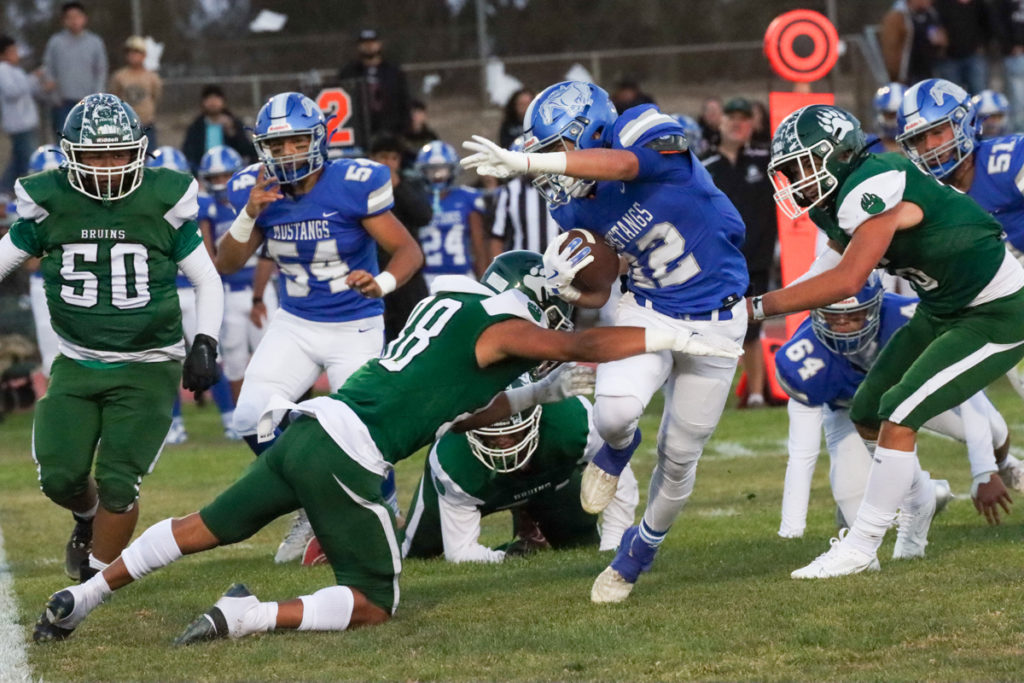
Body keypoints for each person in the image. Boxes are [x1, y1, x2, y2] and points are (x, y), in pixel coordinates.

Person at [30, 250, 741, 645]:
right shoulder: (503, 324)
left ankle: (83, 593)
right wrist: (669, 335)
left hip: (312, 426)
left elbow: (461, 408)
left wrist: (536, 394)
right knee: (376, 601)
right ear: (533, 298)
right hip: (349, 456)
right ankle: (247, 614)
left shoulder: (449, 305)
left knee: (204, 527)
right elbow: (579, 341)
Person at [461, 80, 750, 603]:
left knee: (680, 457)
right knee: (613, 416)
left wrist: (526, 165)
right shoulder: (571, 208)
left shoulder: (642, 126)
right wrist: (575, 286)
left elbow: (624, 167)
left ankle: (637, 553)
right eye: (540, 155)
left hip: (717, 318)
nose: (547, 164)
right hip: (647, 306)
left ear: (591, 131)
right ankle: (618, 452)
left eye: (554, 150)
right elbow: (600, 290)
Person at [754, 103, 1024, 578]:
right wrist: (756, 301)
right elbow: (828, 266)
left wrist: (759, 307)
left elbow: (847, 280)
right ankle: (918, 501)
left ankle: (861, 546)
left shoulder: (877, 180)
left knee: (899, 412)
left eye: (802, 163)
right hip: (942, 307)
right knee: (866, 411)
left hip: (996, 312)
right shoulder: (835, 201)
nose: (796, 177)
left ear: (836, 154)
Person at [0, 93, 223, 584]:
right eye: (95, 155)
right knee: (59, 477)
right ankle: (85, 518)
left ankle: (93, 583)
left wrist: (205, 340)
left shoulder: (161, 198)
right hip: (78, 360)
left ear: (138, 151)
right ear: (70, 155)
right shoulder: (51, 202)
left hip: (148, 361)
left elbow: (206, 278)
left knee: (120, 482)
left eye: (118, 153)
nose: (107, 166)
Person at [215, 91, 424, 560]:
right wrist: (250, 213)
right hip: (296, 322)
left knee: (363, 433)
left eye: (295, 142)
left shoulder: (353, 182)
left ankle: (385, 511)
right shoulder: (256, 189)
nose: (287, 153)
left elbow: (409, 251)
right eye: (278, 144)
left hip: (355, 324)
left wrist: (383, 282)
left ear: (318, 138)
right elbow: (225, 263)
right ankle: (312, 502)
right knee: (251, 417)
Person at [775, 275, 1021, 540]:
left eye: (854, 316)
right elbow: (802, 452)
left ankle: (1006, 465)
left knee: (993, 430)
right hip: (848, 414)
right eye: (833, 318)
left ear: (874, 307)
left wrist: (984, 469)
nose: (843, 327)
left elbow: (968, 392)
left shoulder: (909, 317)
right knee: (858, 513)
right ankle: (926, 494)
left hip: (909, 394)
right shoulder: (802, 357)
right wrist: (792, 531)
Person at [402, 368, 638, 563]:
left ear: (536, 415)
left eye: (513, 434)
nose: (504, 444)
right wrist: (507, 558)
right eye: (492, 437)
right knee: (412, 554)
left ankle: (534, 530)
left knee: (582, 543)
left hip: (550, 483)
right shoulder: (453, 462)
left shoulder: (572, 420)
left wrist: (613, 545)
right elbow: (461, 552)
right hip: (484, 489)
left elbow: (617, 470)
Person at [895, 78, 1024, 398]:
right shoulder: (921, 197)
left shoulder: (1006, 161)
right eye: (919, 139)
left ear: (963, 123)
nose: (930, 147)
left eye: (937, 132)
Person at [146, 146, 237, 444]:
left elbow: (208, 253)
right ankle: (174, 424)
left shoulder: (201, 204)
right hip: (164, 289)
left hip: (193, 288)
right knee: (164, 360)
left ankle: (229, 419)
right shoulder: (143, 208)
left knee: (210, 354)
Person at [702, 97, 776, 408]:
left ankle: (757, 394)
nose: (737, 122)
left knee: (752, 330)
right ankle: (708, 393)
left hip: (755, 260)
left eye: (744, 117)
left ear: (754, 123)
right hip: (715, 260)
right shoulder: (703, 165)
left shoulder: (766, 160)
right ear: (719, 121)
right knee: (710, 330)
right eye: (731, 116)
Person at [198, 145, 277, 402]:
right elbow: (211, 258)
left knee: (273, 357)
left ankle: (274, 411)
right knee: (234, 359)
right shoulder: (206, 210)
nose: (221, 183)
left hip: (262, 290)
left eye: (226, 176)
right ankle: (239, 418)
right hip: (229, 292)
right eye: (215, 178)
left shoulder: (258, 199)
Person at [367, 134, 431, 342]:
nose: (388, 163)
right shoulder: (360, 189)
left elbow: (424, 216)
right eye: (383, 157)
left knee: (416, 338)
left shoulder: (408, 183)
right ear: (372, 158)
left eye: (393, 158)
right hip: (375, 276)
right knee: (378, 342)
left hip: (408, 279)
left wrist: (399, 188)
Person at [415, 140, 488, 286]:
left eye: (442, 169)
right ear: (423, 171)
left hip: (462, 275)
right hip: (426, 277)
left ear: (452, 169)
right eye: (432, 170)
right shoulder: (416, 200)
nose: (437, 175)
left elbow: (478, 245)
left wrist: (484, 279)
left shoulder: (467, 198)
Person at [20, 145, 66, 379]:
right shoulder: (26, 211)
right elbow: (31, 263)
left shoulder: (81, 207)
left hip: (79, 283)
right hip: (46, 285)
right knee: (52, 360)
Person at [41, 2, 107, 137]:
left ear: (84, 19)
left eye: (77, 16)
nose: (74, 21)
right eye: (69, 17)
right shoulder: (55, 42)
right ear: (64, 21)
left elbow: (101, 71)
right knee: (64, 141)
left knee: (89, 141)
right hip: (62, 103)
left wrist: (96, 97)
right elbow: (48, 68)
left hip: (88, 103)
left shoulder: (95, 42)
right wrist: (55, 97)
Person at [337, 29, 411, 138]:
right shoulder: (349, 72)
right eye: (365, 43)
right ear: (359, 46)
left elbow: (404, 99)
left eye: (372, 42)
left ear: (379, 44)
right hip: (359, 131)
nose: (369, 46)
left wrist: (404, 126)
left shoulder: (393, 71)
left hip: (391, 129)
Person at [0, 36, 45, 193]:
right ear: (3, 54)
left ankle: (4, 190)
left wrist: (40, 85)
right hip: (18, 124)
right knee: (28, 161)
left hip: (27, 123)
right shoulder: (2, 70)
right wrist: (33, 78)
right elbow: (12, 92)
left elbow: (28, 90)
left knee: (18, 161)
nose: (16, 55)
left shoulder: (17, 70)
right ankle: (31, 192)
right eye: (12, 52)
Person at [181, 84, 255, 171]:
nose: (213, 102)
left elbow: (247, 151)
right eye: (209, 98)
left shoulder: (235, 124)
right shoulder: (196, 127)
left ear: (223, 102)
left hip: (231, 171)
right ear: (203, 103)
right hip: (204, 173)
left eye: (216, 98)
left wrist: (232, 132)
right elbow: (188, 154)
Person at [108, 36, 162, 150]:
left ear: (144, 55)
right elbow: (114, 96)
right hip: (125, 127)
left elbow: (155, 96)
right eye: (129, 52)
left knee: (148, 156)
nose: (133, 55)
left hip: (146, 125)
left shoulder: (152, 77)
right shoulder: (119, 76)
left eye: (137, 52)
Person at [880, 0, 946, 85]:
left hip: (928, 70)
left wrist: (941, 42)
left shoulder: (931, 14)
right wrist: (895, 74)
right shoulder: (897, 17)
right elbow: (890, 49)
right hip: (908, 74)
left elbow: (941, 36)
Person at [932, 0, 991, 95]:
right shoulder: (941, 4)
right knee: (952, 97)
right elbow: (933, 25)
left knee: (979, 94)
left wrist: (983, 45)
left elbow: (988, 24)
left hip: (974, 55)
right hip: (949, 58)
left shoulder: (978, 4)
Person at [995, 0, 1024, 132]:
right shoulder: (1004, 3)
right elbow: (997, 22)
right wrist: (1009, 46)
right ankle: (1018, 137)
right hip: (1014, 54)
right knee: (1017, 99)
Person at [867, 82, 907, 153]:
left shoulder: (919, 147)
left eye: (895, 114)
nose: (892, 120)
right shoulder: (869, 144)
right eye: (888, 114)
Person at [402, 99, 438, 166]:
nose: (415, 116)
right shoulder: (401, 136)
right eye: (413, 112)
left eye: (419, 112)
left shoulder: (430, 136)